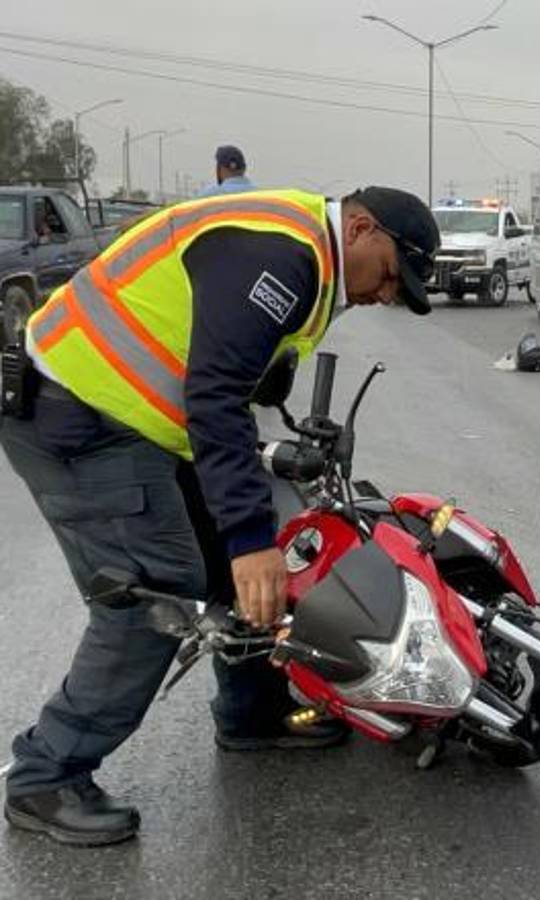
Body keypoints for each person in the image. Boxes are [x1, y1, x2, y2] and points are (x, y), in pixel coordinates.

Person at [0, 186, 439, 847]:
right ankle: (45, 774)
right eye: (390, 275)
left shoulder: (304, 254)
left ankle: (252, 713)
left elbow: (236, 373)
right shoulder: (286, 254)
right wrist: (248, 539)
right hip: (77, 415)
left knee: (235, 562)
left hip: (133, 419)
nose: (387, 295)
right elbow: (215, 395)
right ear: (361, 227)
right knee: (154, 592)